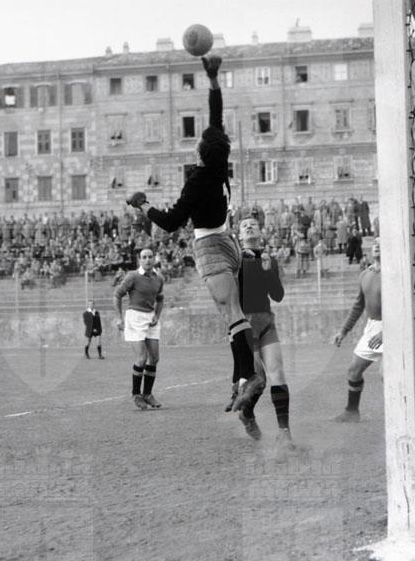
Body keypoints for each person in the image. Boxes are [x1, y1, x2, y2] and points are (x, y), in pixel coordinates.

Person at [125, 55, 262, 413]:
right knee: (233, 315)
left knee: (233, 314)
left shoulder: (197, 180)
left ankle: (250, 376)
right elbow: (216, 117)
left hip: (211, 247)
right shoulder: (219, 164)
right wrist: (213, 80)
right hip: (228, 242)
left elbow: (171, 222)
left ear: (200, 152)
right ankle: (239, 381)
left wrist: (142, 205)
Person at [226, 217, 294, 452]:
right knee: (259, 381)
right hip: (243, 326)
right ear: (239, 235)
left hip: (266, 323)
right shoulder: (234, 260)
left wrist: (268, 272)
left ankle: (284, 433)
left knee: (278, 373)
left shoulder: (268, 259)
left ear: (260, 232)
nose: (249, 226)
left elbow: (278, 296)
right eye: (244, 225)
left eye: (253, 224)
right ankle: (247, 414)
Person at [332, 237, 382, 422]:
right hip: (373, 327)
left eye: (382, 242)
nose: (377, 245)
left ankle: (401, 416)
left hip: (393, 327)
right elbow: (358, 306)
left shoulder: (394, 273)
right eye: (375, 243)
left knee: (387, 375)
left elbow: (403, 305)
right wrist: (343, 331)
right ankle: (352, 412)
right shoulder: (365, 274)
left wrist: (386, 332)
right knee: (353, 370)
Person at [114, 247, 165, 410]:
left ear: (154, 259)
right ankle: (136, 394)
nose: (148, 260)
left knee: (154, 358)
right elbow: (117, 294)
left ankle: (148, 394)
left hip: (151, 318)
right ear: (139, 260)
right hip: (135, 317)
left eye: (150, 257)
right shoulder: (133, 276)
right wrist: (119, 317)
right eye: (144, 257)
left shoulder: (159, 278)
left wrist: (157, 315)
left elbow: (160, 299)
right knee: (142, 358)